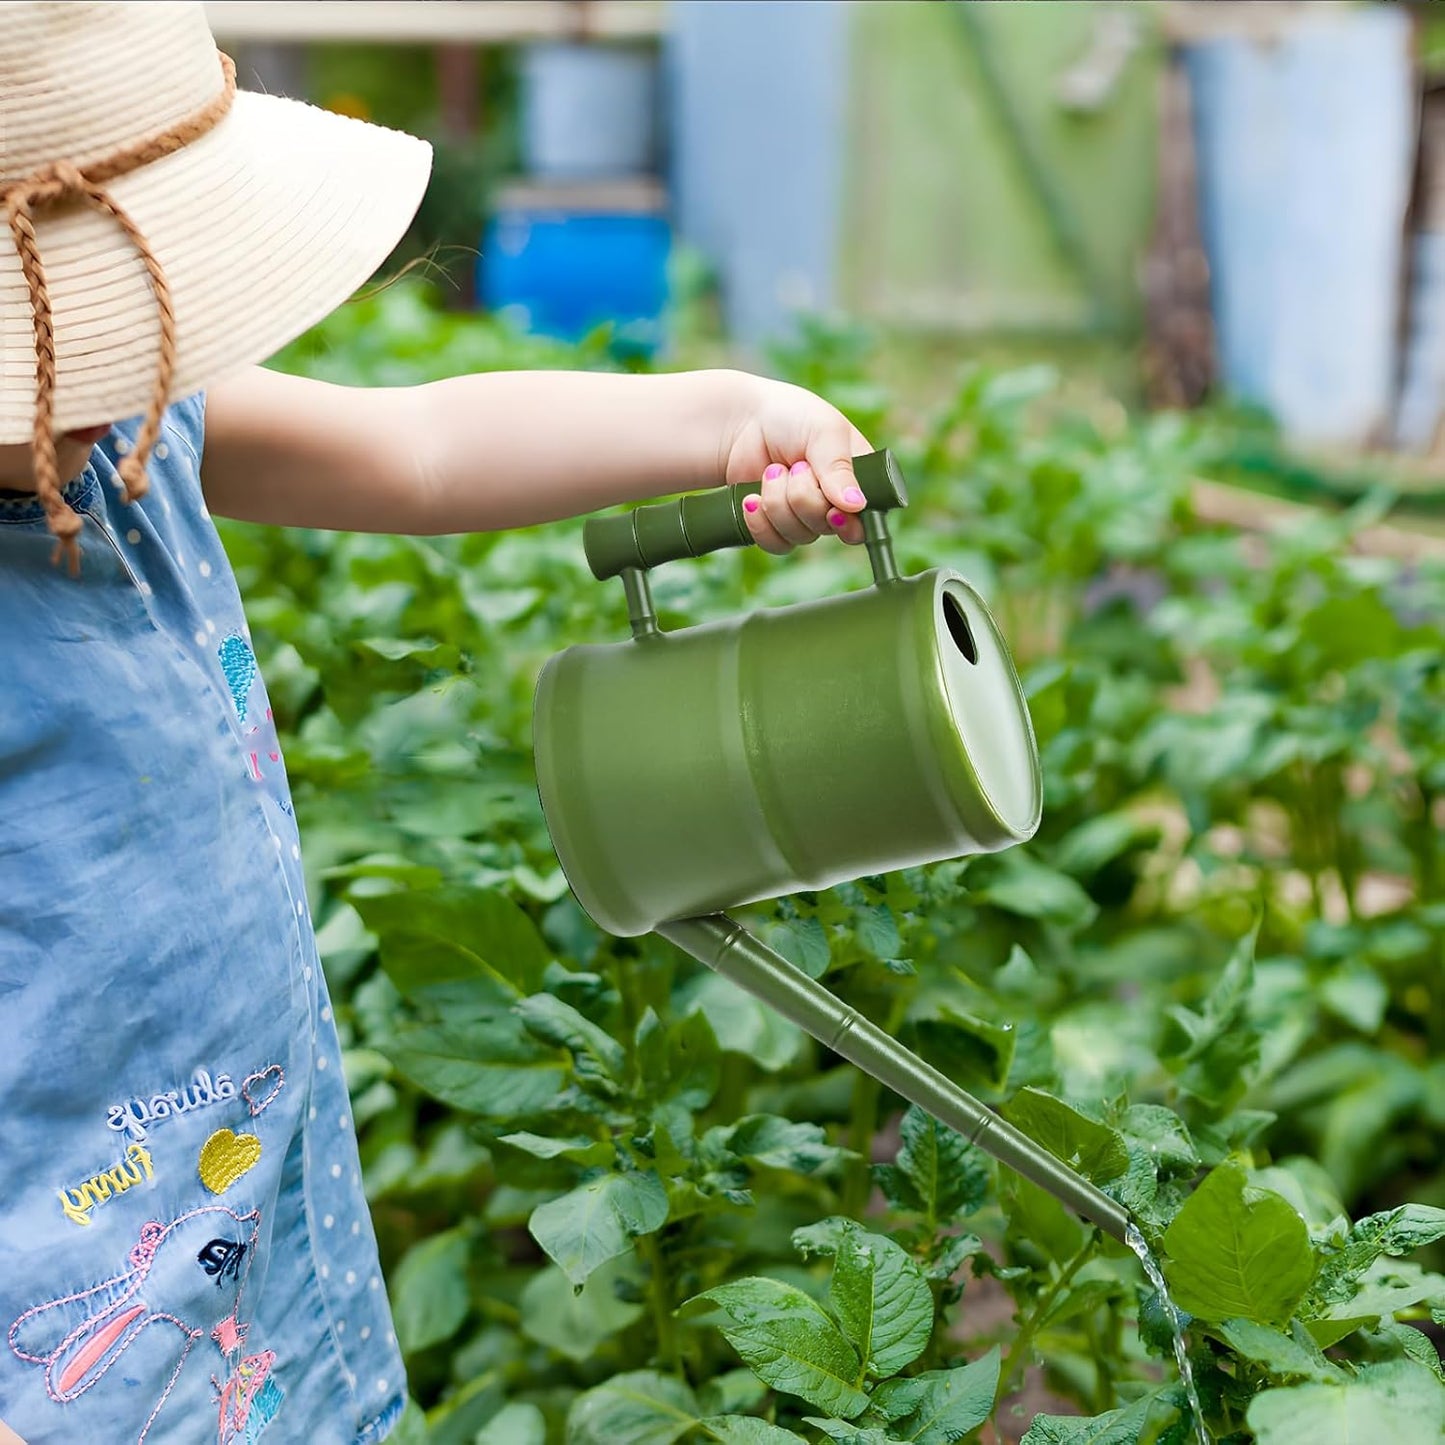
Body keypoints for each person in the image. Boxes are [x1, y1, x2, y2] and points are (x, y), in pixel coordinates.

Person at [0, 4, 872, 1443]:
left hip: (269, 1310)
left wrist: (725, 418)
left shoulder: (139, 427)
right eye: (62, 339)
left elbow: (417, 449)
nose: (110, 371)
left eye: (129, 319)